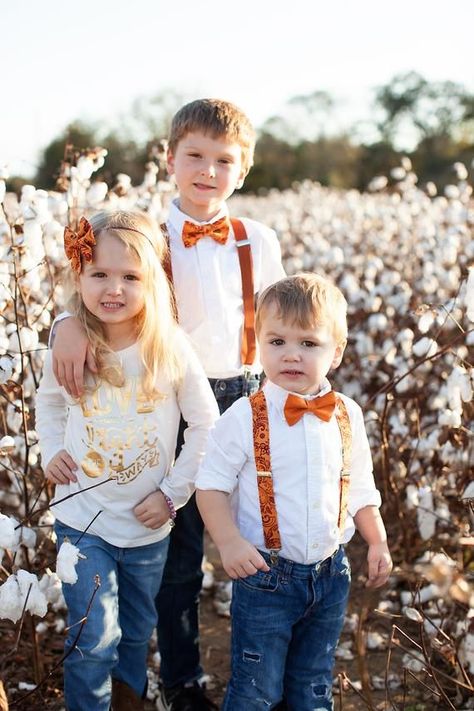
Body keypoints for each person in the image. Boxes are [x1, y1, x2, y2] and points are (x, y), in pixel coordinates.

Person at [48, 99, 285, 710]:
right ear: (170, 160)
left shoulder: (258, 239)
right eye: (195, 157)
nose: (208, 171)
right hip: (168, 397)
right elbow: (98, 286)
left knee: (255, 538)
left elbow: (280, 321)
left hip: (245, 393)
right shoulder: (145, 234)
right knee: (177, 556)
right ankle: (182, 681)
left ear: (244, 168)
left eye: (223, 160)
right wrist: (62, 328)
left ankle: (265, 679)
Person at [36, 211, 218, 711]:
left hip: (147, 526)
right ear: (80, 276)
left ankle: (128, 701)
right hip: (82, 519)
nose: (113, 288)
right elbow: (49, 401)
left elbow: (205, 424)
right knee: (92, 641)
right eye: (99, 274)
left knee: (136, 634)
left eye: (130, 277)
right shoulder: (74, 346)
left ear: (152, 281)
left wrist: (172, 494)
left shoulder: (169, 348)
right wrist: (51, 450)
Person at [196, 273, 393, 711]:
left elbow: (360, 486)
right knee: (256, 686)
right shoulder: (244, 417)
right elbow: (209, 485)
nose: (291, 354)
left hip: (330, 575)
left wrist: (376, 540)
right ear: (258, 345)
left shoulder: (347, 415)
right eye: (277, 341)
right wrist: (228, 542)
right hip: (265, 576)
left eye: (308, 343)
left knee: (313, 684)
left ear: (336, 352)